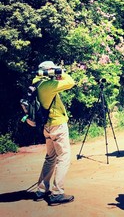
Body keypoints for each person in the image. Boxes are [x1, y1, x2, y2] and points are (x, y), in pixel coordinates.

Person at [33, 61, 75, 205]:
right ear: (48, 71)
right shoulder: (48, 86)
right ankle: (57, 193)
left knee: (50, 157)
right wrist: (60, 72)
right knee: (63, 157)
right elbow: (70, 82)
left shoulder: (36, 83)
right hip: (57, 125)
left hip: (47, 126)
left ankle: (41, 189)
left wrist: (52, 74)